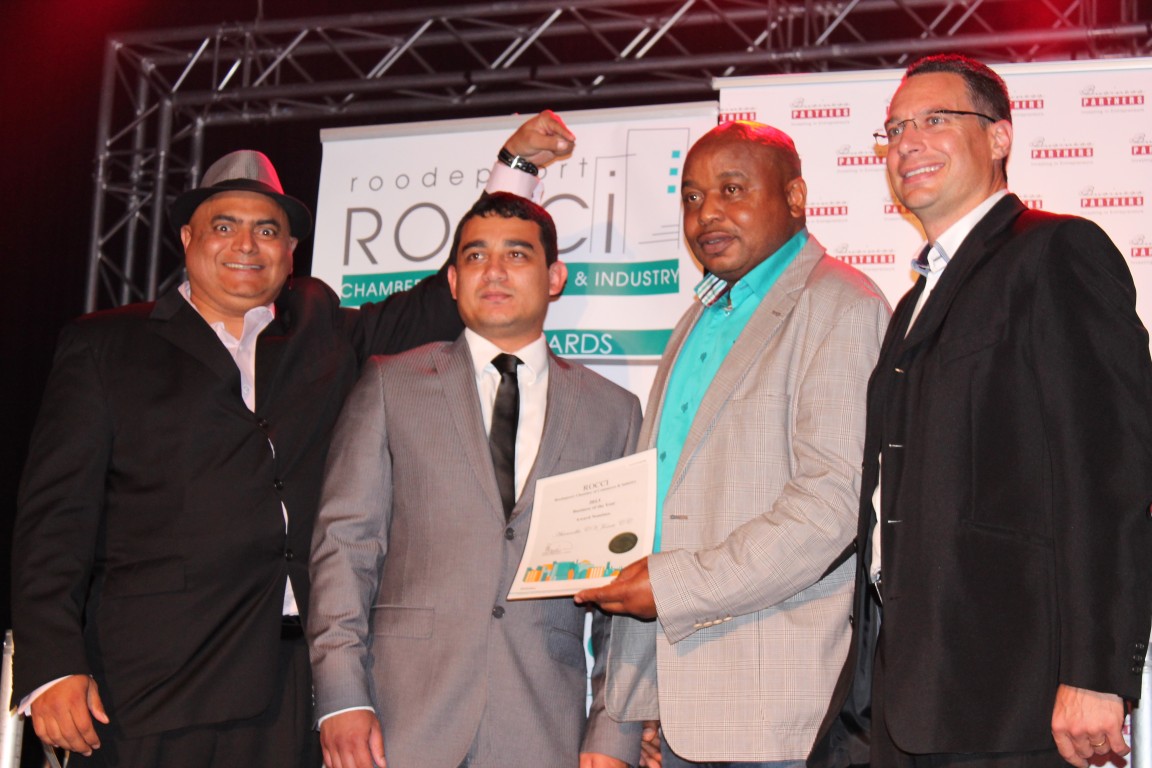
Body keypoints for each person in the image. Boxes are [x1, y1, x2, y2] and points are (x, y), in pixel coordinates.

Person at [10, 112, 575, 767]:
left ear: (290, 251)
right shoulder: (106, 346)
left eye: (267, 230)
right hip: (152, 687)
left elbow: (442, 302)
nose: (247, 245)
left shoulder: (319, 324)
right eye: (225, 226)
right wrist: (52, 663)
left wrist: (515, 169)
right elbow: (55, 520)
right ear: (188, 238)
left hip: (297, 689)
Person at [808, 54, 1152, 768]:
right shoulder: (913, 302)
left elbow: (1108, 474)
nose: (908, 142)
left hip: (1014, 697)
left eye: (935, 119)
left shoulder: (1055, 252)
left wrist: (1096, 672)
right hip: (906, 696)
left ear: (999, 138)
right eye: (895, 129)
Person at [574, 121, 891, 766]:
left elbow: (831, 508)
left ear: (795, 197)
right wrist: (642, 698)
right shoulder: (698, 317)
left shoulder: (840, 305)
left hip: (776, 708)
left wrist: (673, 589)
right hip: (681, 707)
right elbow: (668, 511)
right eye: (692, 196)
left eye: (732, 189)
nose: (707, 213)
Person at [306, 192, 644, 768]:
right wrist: (341, 696)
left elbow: (625, 584)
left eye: (517, 254)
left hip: (543, 728)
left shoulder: (613, 411)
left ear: (554, 277)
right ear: (453, 280)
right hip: (399, 722)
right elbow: (345, 547)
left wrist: (613, 732)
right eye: (475, 256)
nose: (494, 271)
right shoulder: (391, 384)